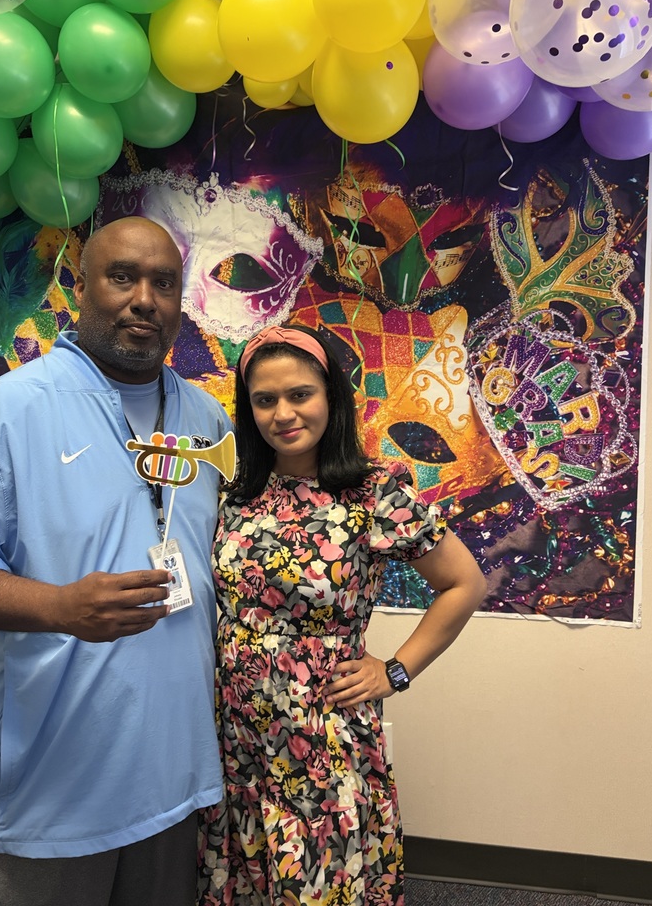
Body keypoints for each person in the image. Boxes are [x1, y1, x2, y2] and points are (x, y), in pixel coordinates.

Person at [0, 216, 233, 906]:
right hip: (42, 798)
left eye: (164, 283)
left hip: (172, 780)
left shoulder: (209, 422)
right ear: (80, 288)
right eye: (122, 277)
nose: (145, 298)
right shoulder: (5, 415)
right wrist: (59, 608)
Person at [198, 324, 487, 906]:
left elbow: (465, 583)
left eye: (300, 394)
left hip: (321, 734)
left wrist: (396, 670)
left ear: (332, 395)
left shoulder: (374, 491)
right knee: (244, 876)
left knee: (319, 880)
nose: (283, 412)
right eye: (264, 399)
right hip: (234, 731)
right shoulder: (235, 491)